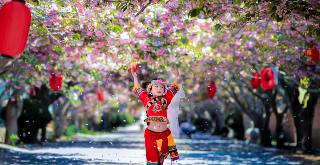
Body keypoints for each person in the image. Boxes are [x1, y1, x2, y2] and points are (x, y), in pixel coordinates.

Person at [131, 67, 180, 165]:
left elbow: (173, 88)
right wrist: (135, 77)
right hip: (151, 135)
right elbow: (137, 88)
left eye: (162, 87)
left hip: (164, 134)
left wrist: (177, 77)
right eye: (156, 86)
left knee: (159, 161)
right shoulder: (146, 98)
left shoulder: (166, 98)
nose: (159, 89)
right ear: (150, 89)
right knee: (152, 160)